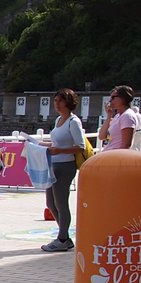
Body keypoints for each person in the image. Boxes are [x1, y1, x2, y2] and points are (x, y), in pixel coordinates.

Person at [41, 88, 86, 252]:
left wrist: (60, 151)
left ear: (68, 102)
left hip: (65, 165)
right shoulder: (59, 120)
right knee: (50, 202)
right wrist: (38, 144)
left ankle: (62, 238)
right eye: (55, 101)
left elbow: (79, 146)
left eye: (59, 101)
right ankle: (64, 235)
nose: (57, 104)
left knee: (61, 202)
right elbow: (56, 144)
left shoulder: (73, 122)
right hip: (52, 163)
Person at [98, 85, 141, 150]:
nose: (110, 101)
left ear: (123, 98)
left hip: (115, 156)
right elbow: (102, 136)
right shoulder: (118, 116)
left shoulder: (127, 116)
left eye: (113, 97)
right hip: (109, 154)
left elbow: (126, 145)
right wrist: (109, 116)